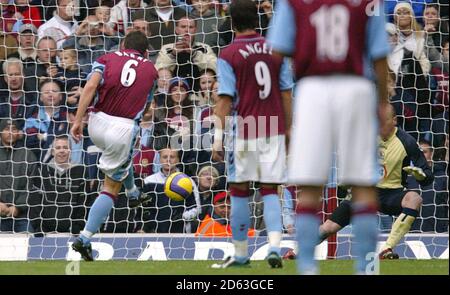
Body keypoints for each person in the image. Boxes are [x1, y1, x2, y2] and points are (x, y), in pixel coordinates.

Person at [267, 0, 391, 274]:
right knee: (363, 186)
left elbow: (276, 54)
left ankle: (307, 268)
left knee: (309, 186)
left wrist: (277, 108)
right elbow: (379, 55)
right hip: (356, 88)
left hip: (311, 89)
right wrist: (383, 102)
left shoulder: (292, 2)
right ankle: (368, 267)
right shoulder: (369, 2)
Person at [211, 0, 293, 269]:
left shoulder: (228, 54)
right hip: (274, 126)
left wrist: (217, 136)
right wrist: (291, 128)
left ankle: (242, 254)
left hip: (245, 127)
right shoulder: (275, 50)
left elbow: (224, 99)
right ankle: (273, 247)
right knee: (270, 189)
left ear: (232, 22)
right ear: (258, 20)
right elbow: (285, 92)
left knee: (239, 192)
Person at [70, 31, 158, 261]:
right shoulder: (151, 69)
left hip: (96, 122)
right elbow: (147, 106)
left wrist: (78, 120)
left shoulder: (107, 58)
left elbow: (90, 87)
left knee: (122, 162)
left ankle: (133, 192)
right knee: (110, 187)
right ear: (146, 52)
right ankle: (85, 238)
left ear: (122, 44)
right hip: (123, 127)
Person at [319, 105, 434, 260]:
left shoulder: (407, 141)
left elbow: (427, 177)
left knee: (414, 199)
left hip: (392, 194)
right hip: (366, 191)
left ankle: (386, 249)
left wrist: (420, 176)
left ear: (394, 120)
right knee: (328, 227)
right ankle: (294, 253)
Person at [29, 135, 88, 234]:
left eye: (65, 147)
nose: (62, 151)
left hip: (73, 232)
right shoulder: (41, 171)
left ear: (70, 151)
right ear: (52, 151)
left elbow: (83, 203)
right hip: (44, 233)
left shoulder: (80, 172)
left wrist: (77, 226)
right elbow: (35, 202)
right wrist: (39, 226)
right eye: (58, 148)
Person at [0, 119, 38, 233]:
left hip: (21, 215)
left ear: (19, 133)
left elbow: (31, 185)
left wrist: (18, 207)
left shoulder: (28, 155)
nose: (11, 132)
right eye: (7, 129)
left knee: (30, 245)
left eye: (14, 129)